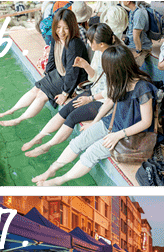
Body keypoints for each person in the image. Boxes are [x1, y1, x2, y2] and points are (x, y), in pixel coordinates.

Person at [33, 44, 157, 186]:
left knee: (92, 152)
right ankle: (52, 170)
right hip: (113, 122)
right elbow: (110, 101)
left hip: (129, 132)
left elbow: (146, 122)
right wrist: (95, 122)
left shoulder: (142, 87)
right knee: (80, 141)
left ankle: (60, 180)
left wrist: (118, 135)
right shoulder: (120, 82)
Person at [24, 23, 119, 158]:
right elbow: (94, 78)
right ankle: (38, 138)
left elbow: (112, 93)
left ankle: (47, 146)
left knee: (73, 117)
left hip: (105, 101)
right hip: (94, 91)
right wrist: (85, 65)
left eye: (91, 41)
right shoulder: (99, 53)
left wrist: (90, 100)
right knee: (66, 109)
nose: (89, 43)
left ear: (102, 44)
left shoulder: (115, 60)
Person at [0, 8, 89, 127]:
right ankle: (12, 110)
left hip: (74, 79)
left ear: (72, 27)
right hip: (61, 74)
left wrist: (65, 93)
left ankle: (19, 119)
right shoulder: (56, 39)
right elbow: (51, 60)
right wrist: (47, 75)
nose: (61, 32)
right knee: (36, 88)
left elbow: (73, 72)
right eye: (58, 27)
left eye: (66, 28)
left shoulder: (74, 44)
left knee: (41, 96)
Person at [121, 1, 151, 69]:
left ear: (128, 1)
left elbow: (136, 35)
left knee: (131, 69)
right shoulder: (133, 10)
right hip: (132, 45)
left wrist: (138, 51)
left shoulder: (139, 13)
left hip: (140, 47)